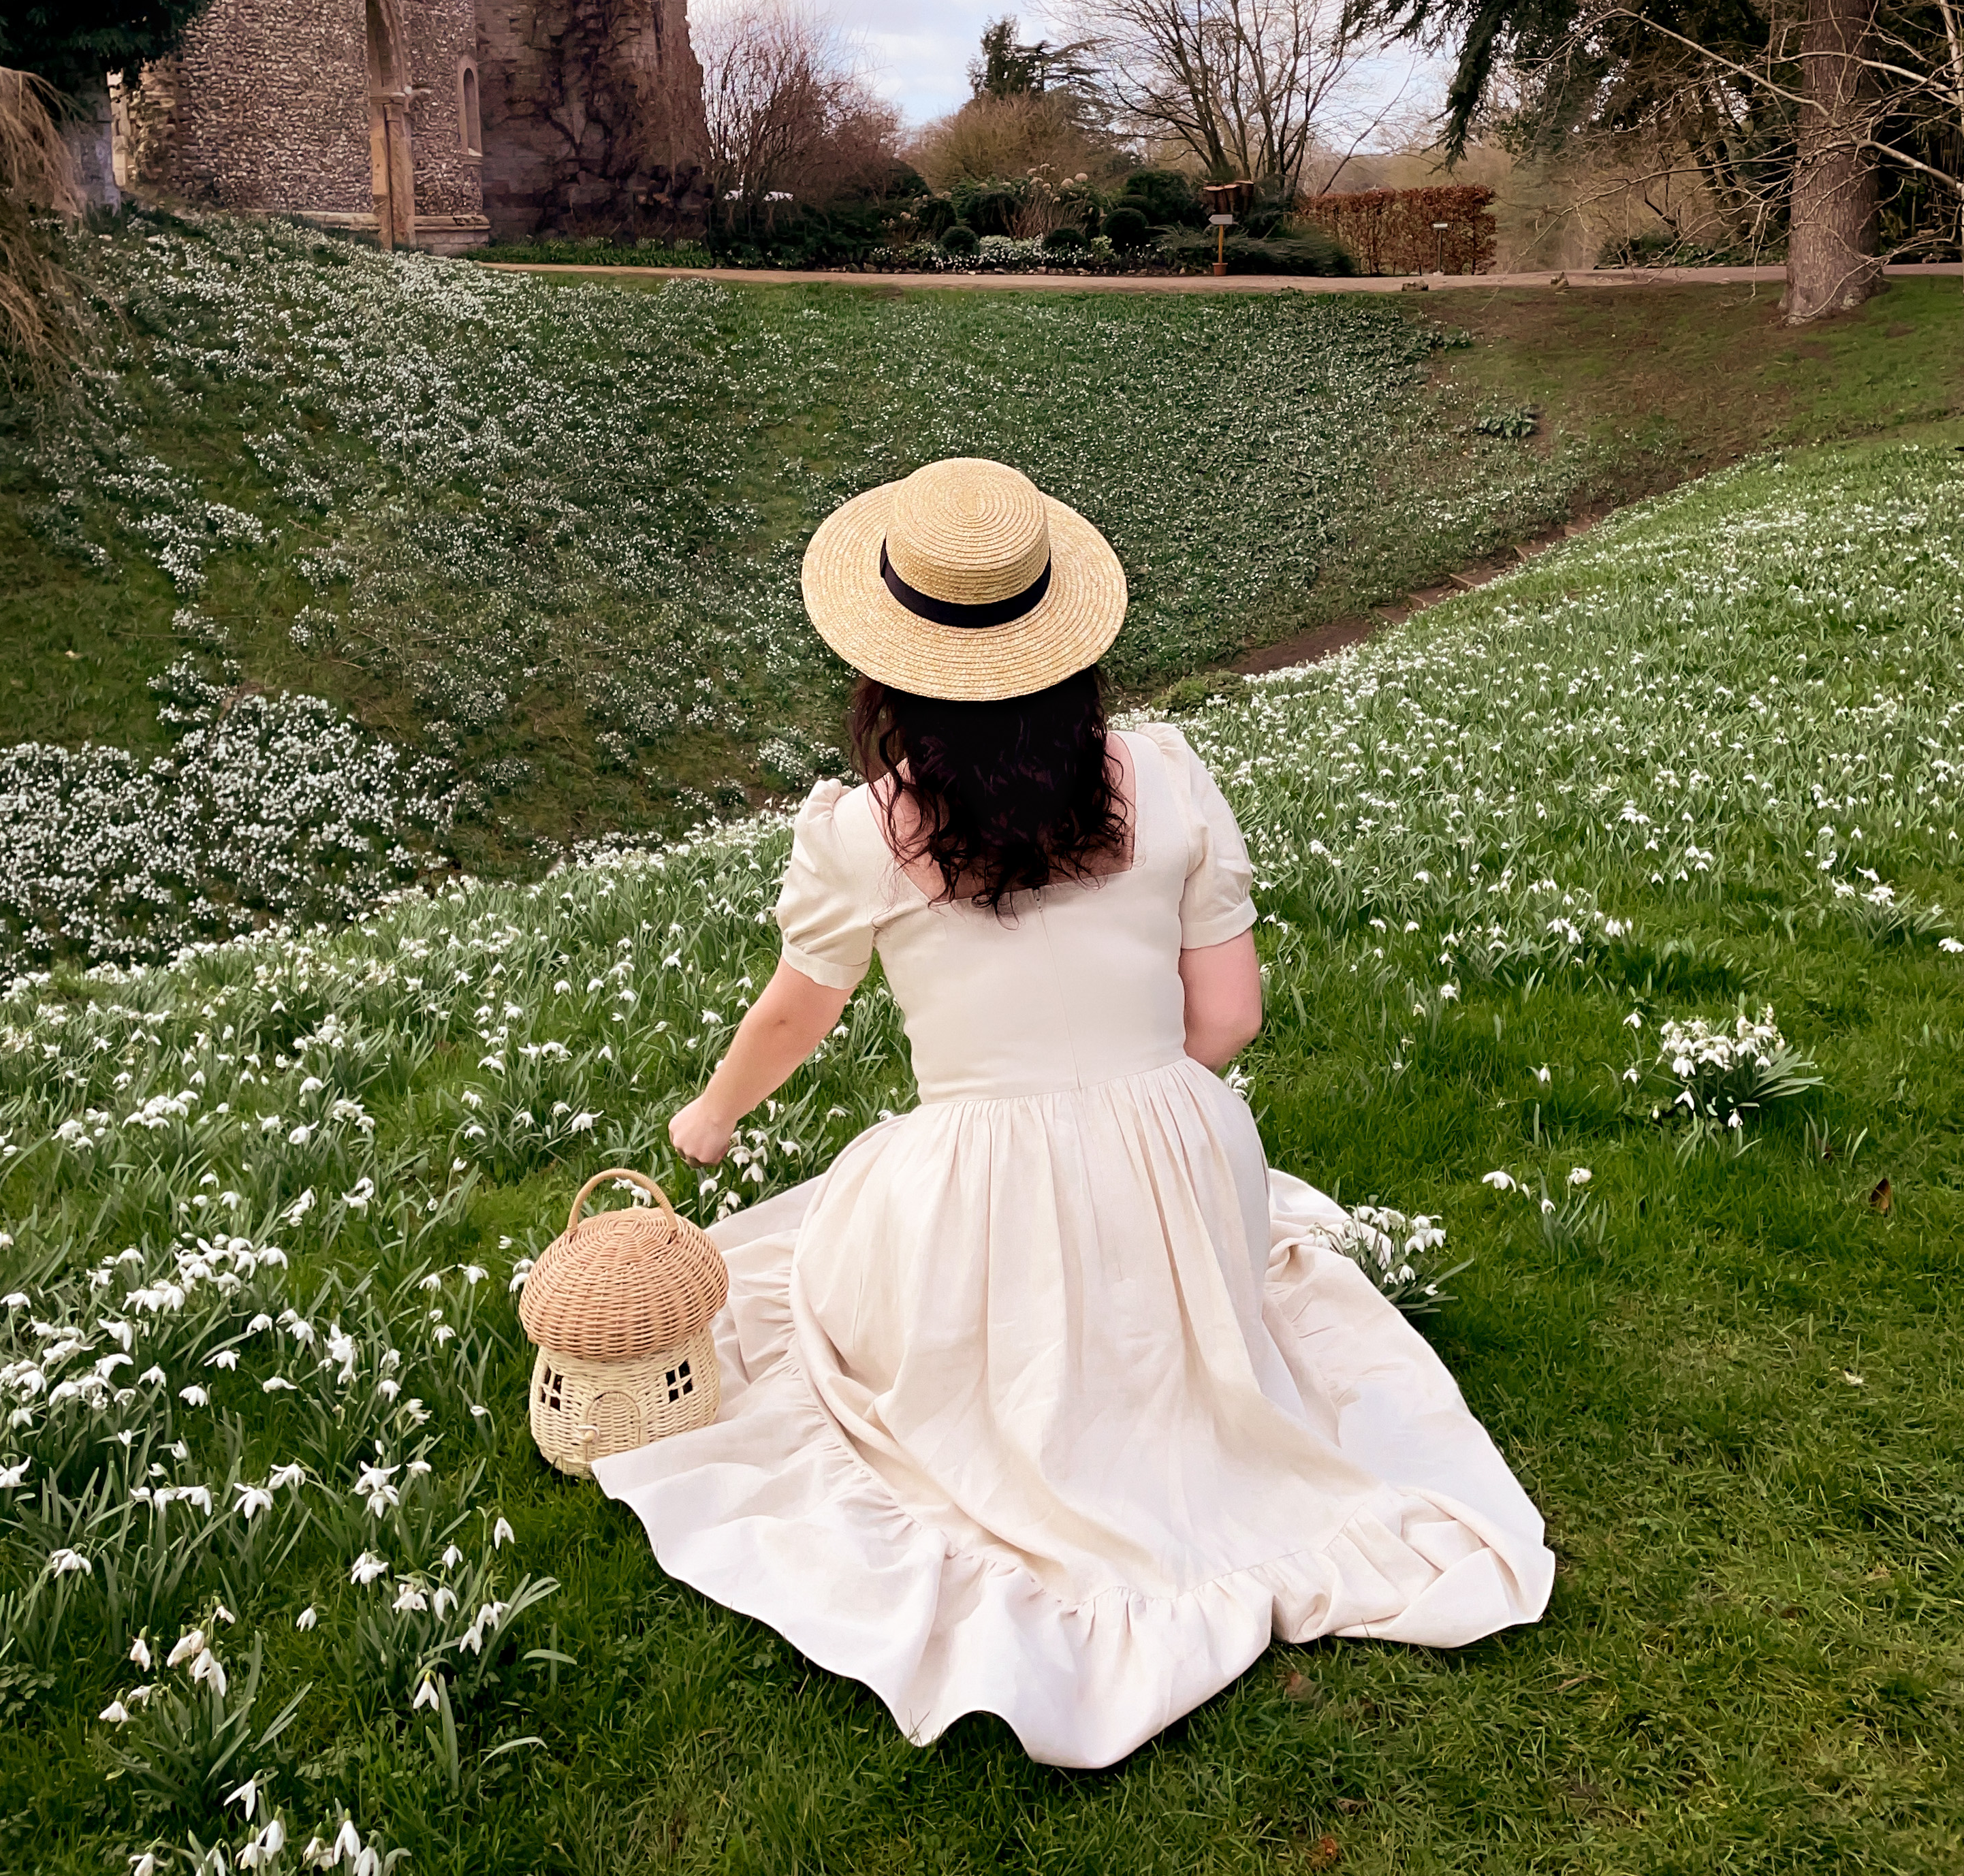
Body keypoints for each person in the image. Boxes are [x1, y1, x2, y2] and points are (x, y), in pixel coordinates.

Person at [596, 456, 1552, 1768]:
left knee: (831, 1259)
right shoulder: (1162, 777)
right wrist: (1132, 1139)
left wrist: (708, 1118)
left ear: (889, 669)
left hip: (979, 1175)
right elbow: (1227, 1023)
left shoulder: (868, 832)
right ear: (1065, 643)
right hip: (1182, 1146)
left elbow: (794, 1017)